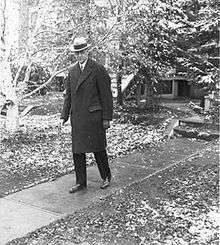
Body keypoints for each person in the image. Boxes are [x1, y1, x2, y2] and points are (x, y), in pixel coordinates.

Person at [60, 37, 113, 193]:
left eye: (82, 52)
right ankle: (81, 182)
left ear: (88, 51)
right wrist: (64, 115)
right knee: (78, 151)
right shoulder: (71, 71)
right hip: (77, 117)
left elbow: (106, 96)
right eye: (77, 53)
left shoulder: (98, 69)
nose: (80, 55)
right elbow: (68, 95)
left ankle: (106, 177)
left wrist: (107, 118)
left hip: (94, 117)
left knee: (98, 149)